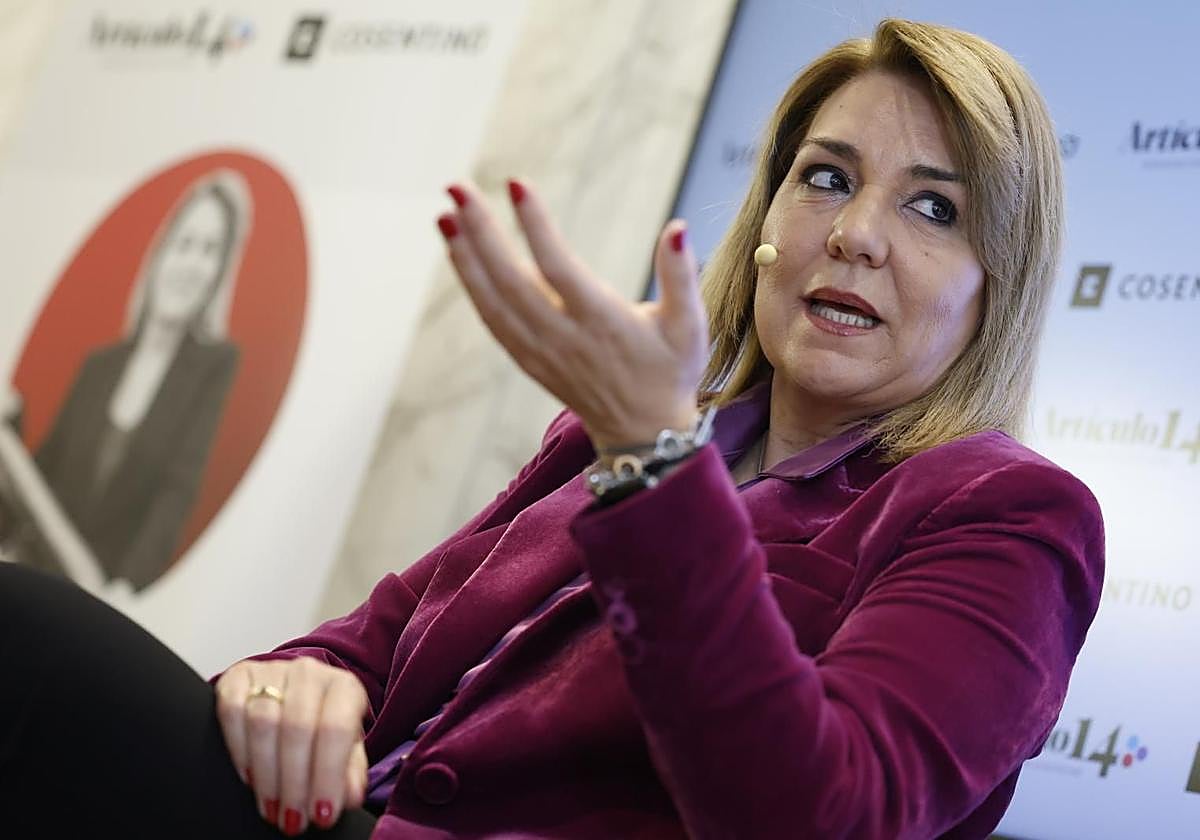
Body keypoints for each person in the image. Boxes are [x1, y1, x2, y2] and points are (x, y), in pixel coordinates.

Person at [0, 18, 1102, 840]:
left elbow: (818, 816)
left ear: (994, 287)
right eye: (826, 178)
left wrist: (655, 464)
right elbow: (375, 636)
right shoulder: (614, 438)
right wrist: (300, 684)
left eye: (933, 207)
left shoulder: (1010, 516)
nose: (856, 233)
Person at [7, 169, 249, 591]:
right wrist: (11, 424)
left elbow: (178, 492)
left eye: (210, 250)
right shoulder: (98, 367)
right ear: (161, 253)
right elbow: (40, 482)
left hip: (100, 602)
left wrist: (127, 589)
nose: (192, 265)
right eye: (185, 243)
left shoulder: (215, 368)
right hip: (31, 578)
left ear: (219, 273)